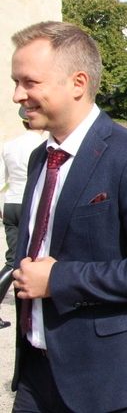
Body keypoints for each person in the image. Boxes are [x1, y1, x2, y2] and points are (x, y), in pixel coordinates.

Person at [9, 21, 127, 412]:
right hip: (38, 374)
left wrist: (59, 279)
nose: (18, 95)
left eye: (29, 82)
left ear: (78, 83)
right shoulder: (42, 157)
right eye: (16, 82)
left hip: (113, 380)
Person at [0, 108, 45, 329]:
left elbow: (1, 180)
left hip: (11, 203)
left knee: (12, 259)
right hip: (31, 203)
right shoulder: (42, 146)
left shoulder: (9, 145)